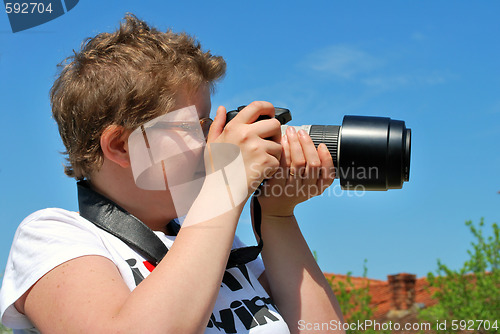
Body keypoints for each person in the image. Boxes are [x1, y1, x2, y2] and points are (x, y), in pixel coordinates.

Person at [0, 14, 344, 333]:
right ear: (121, 146)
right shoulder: (51, 235)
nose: (215, 139)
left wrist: (277, 215)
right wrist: (225, 189)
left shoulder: (217, 243)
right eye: (196, 126)